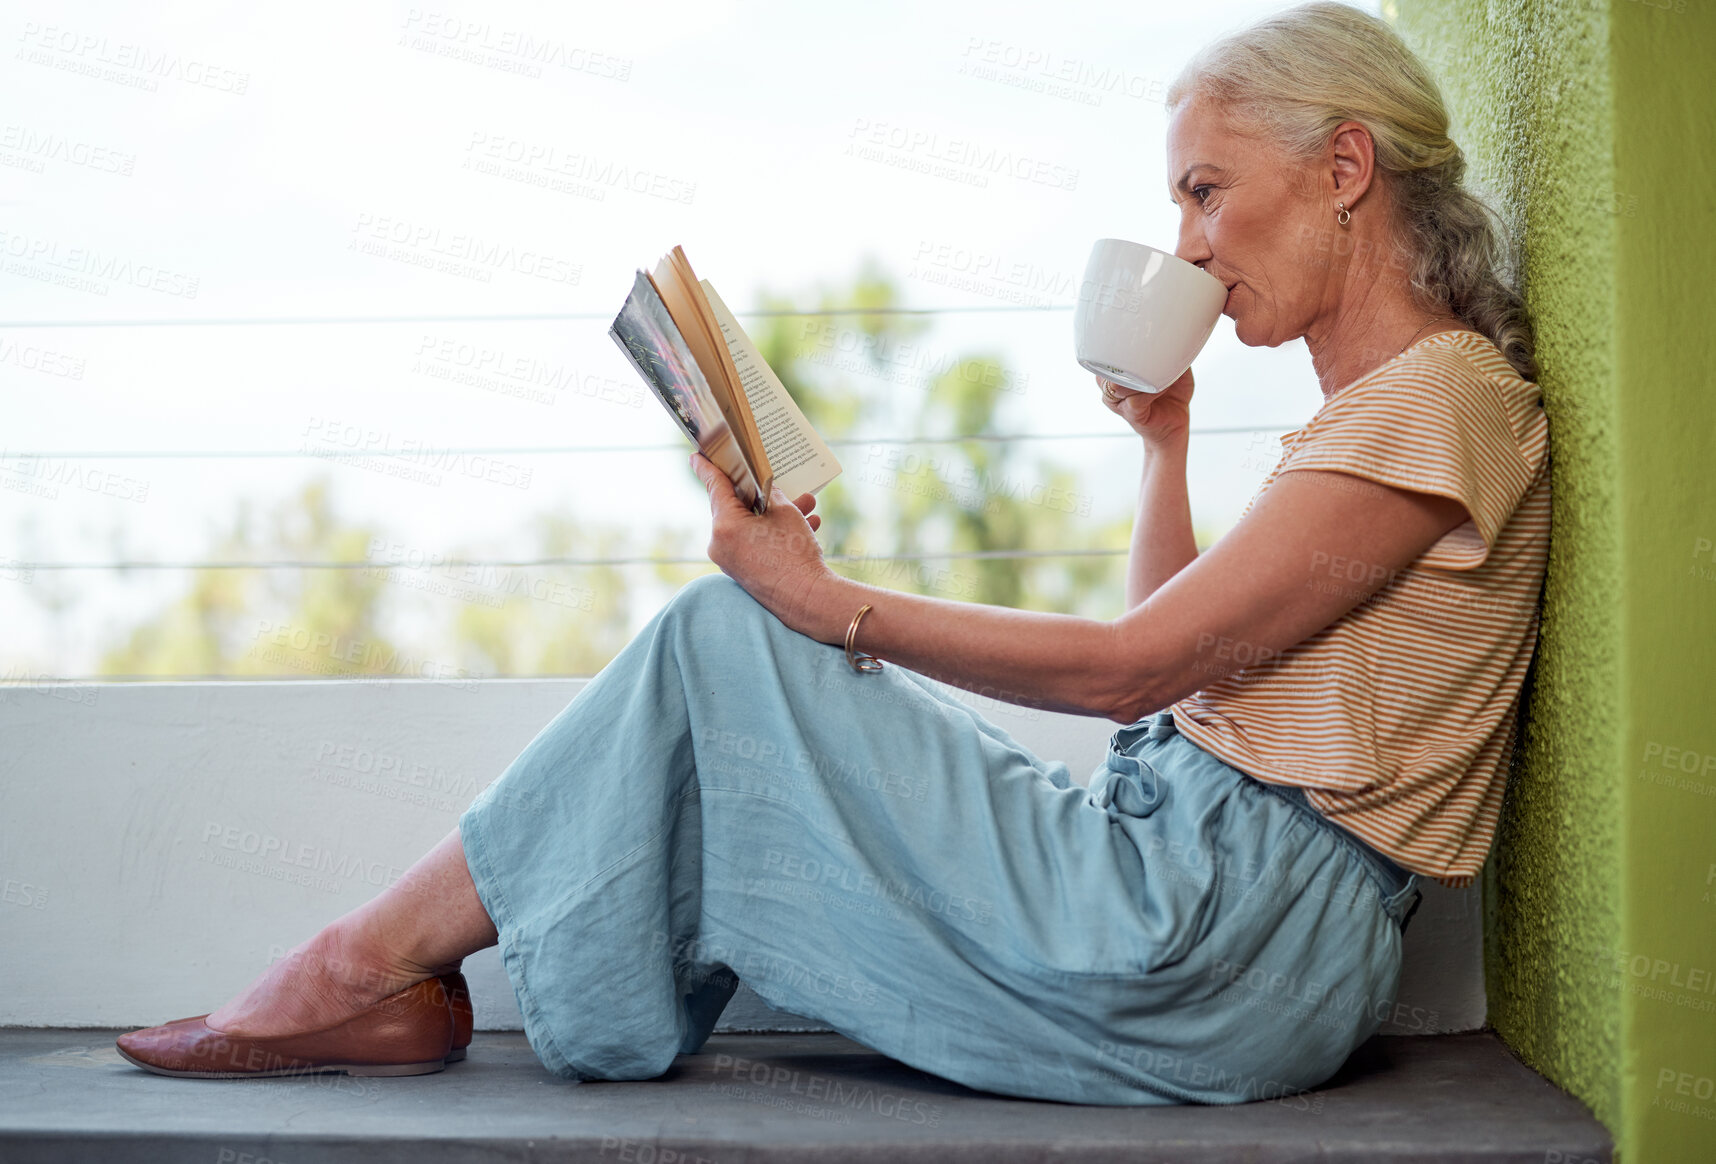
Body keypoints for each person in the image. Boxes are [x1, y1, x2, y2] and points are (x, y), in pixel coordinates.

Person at [116, 1, 1549, 1104]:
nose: (1182, 245)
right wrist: (1164, 451)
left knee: (739, 635)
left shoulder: (1437, 402)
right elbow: (1180, 676)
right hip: (1194, 896)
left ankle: (359, 968)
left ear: (1344, 166)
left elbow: (1134, 671)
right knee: (732, 644)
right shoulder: (1393, 414)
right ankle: (379, 972)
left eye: (1204, 191)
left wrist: (832, 603)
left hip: (1217, 938)